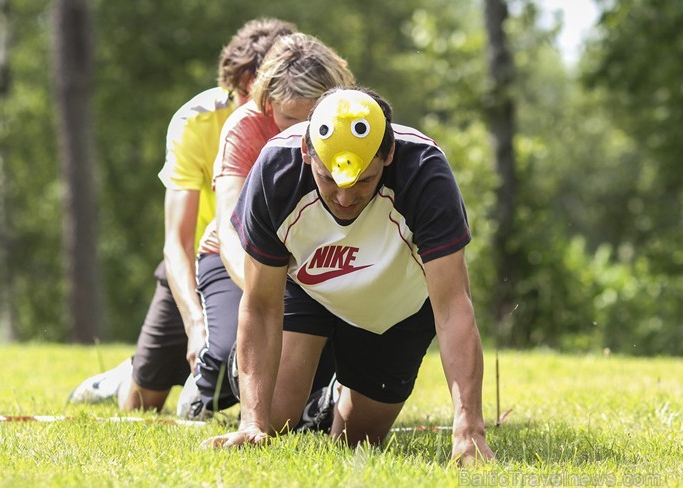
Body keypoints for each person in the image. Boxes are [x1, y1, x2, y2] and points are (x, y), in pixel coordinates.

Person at [201, 87, 495, 465]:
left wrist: (468, 428)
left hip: (396, 308)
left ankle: (329, 399)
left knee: (357, 441)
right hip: (310, 287)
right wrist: (251, 422)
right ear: (308, 154)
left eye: (363, 181)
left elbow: (454, 306)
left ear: (387, 155)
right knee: (272, 417)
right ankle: (287, 394)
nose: (344, 198)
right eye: (328, 179)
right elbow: (259, 306)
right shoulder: (277, 167)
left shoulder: (424, 170)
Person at [68, 18, 297, 415]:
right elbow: (177, 242)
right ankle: (123, 377)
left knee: (239, 365)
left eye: (262, 95)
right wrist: (194, 324)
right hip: (200, 267)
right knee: (142, 402)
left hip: (269, 261)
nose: (252, 107)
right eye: (243, 94)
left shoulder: (299, 122)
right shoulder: (196, 120)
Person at [190, 32, 356, 422]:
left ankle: (319, 392)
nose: (299, 132)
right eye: (288, 119)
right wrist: (268, 298)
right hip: (242, 259)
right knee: (236, 348)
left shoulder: (354, 122)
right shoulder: (243, 129)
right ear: (266, 102)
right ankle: (206, 382)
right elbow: (231, 228)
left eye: (313, 119)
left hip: (313, 263)